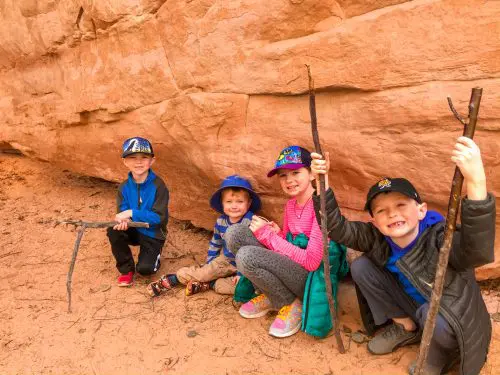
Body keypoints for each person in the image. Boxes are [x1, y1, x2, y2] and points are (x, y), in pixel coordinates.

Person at [310, 136, 495, 375]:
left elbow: (476, 250)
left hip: (448, 318)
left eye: (400, 206)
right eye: (382, 211)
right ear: (374, 222)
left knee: (433, 315)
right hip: (414, 308)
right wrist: (322, 184)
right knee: (361, 266)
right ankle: (405, 326)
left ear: (421, 210)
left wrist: (476, 181)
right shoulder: (377, 237)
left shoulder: (440, 237)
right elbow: (336, 228)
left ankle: (436, 358)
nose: (392, 214)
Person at [225, 145, 330, 339]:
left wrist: (268, 236)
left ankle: (290, 302)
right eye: (283, 175)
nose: (289, 180)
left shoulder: (321, 205)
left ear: (312, 174)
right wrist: (277, 233)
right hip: (292, 267)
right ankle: (272, 294)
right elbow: (289, 244)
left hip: (309, 278)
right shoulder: (291, 205)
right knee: (234, 233)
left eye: (296, 172)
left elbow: (312, 261)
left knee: (246, 256)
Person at [146, 175, 261, 297]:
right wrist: (210, 263)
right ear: (222, 204)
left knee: (236, 289)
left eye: (240, 202)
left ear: (248, 204)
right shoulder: (221, 221)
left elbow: (253, 250)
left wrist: (241, 274)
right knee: (204, 273)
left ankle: (209, 284)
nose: (234, 206)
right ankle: (174, 278)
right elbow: (216, 243)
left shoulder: (251, 222)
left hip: (246, 266)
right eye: (229, 202)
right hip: (227, 261)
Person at [107, 137, 169, 287]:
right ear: (125, 161)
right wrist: (125, 221)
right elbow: (123, 213)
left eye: (144, 157)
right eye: (133, 158)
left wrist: (131, 213)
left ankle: (153, 254)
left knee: (146, 270)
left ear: (152, 161)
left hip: (153, 233)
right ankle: (126, 269)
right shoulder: (124, 187)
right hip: (134, 229)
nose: (139, 162)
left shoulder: (159, 186)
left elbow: (159, 218)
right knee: (113, 230)